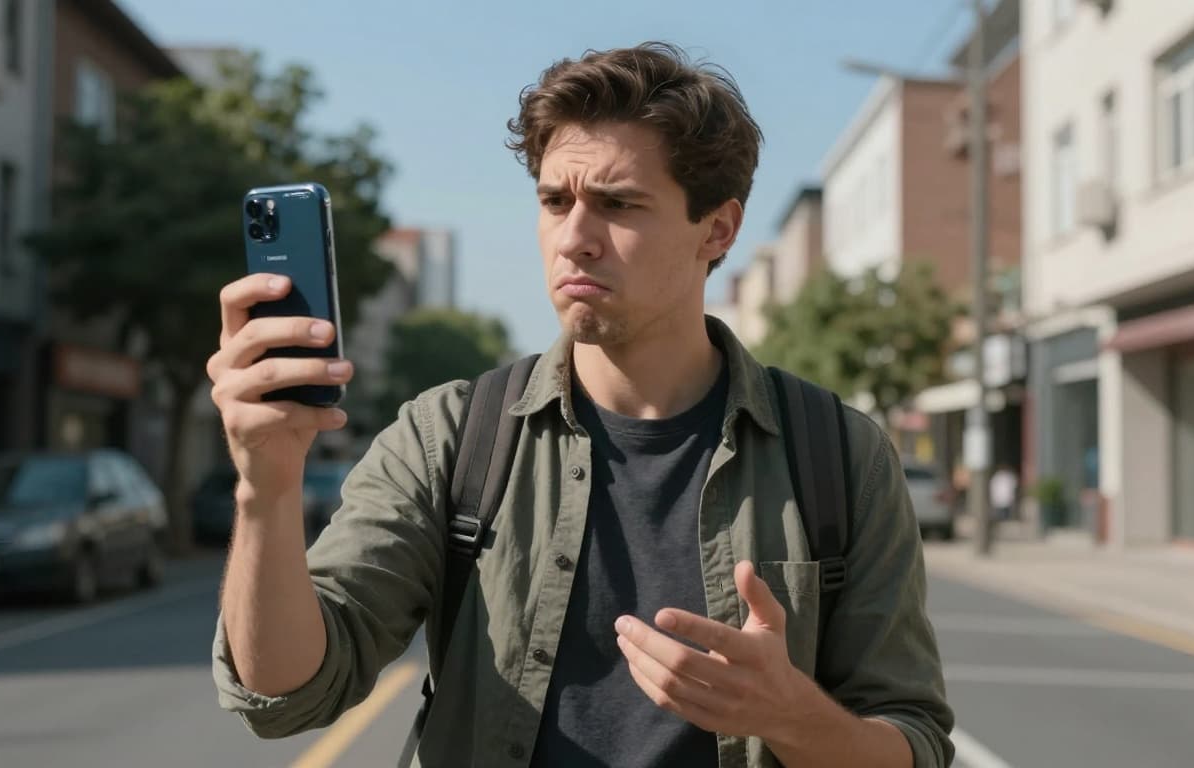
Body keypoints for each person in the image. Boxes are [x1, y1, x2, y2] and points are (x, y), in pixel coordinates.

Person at [207, 42, 954, 767]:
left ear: (716, 229)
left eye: (617, 204)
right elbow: (286, 694)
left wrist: (791, 717)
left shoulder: (840, 456)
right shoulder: (450, 437)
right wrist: (264, 486)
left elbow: (911, 740)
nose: (574, 239)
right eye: (554, 200)